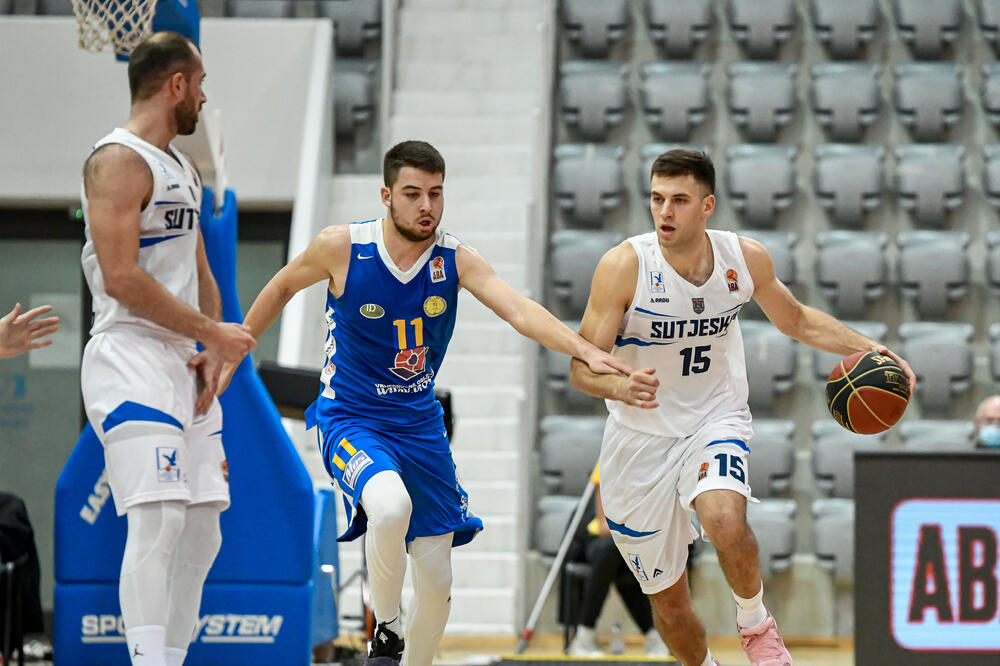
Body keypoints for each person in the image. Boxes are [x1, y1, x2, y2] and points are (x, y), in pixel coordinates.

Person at [223, 140, 630, 666]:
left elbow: (519, 310)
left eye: (435, 194)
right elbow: (280, 287)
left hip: (419, 425)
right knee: (390, 506)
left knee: (437, 582)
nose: (426, 207)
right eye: (413, 194)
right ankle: (386, 629)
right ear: (386, 195)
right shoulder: (342, 247)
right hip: (350, 417)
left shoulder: (456, 259)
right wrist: (241, 342)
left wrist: (584, 349)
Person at [569, 149, 917, 666]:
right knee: (670, 606)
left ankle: (756, 627)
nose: (665, 212)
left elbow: (796, 320)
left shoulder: (743, 258)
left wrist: (869, 348)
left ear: (707, 205)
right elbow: (580, 368)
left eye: (680, 201)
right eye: (657, 199)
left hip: (715, 418)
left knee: (726, 518)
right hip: (639, 439)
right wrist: (617, 388)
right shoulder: (624, 266)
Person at [79, 32, 256, 666]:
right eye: (200, 84)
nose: (204, 98)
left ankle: (171, 659)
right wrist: (212, 332)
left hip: (185, 366)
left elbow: (201, 268)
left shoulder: (182, 167)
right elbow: (122, 277)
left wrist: (210, 342)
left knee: (203, 529)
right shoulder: (115, 160)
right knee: (158, 522)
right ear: (176, 84)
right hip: (128, 358)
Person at [566, 464, 669, 658]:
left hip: (629, 542)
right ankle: (585, 637)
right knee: (614, 551)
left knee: (624, 560)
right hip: (599, 540)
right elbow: (605, 527)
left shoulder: (656, 468)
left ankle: (655, 637)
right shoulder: (608, 464)